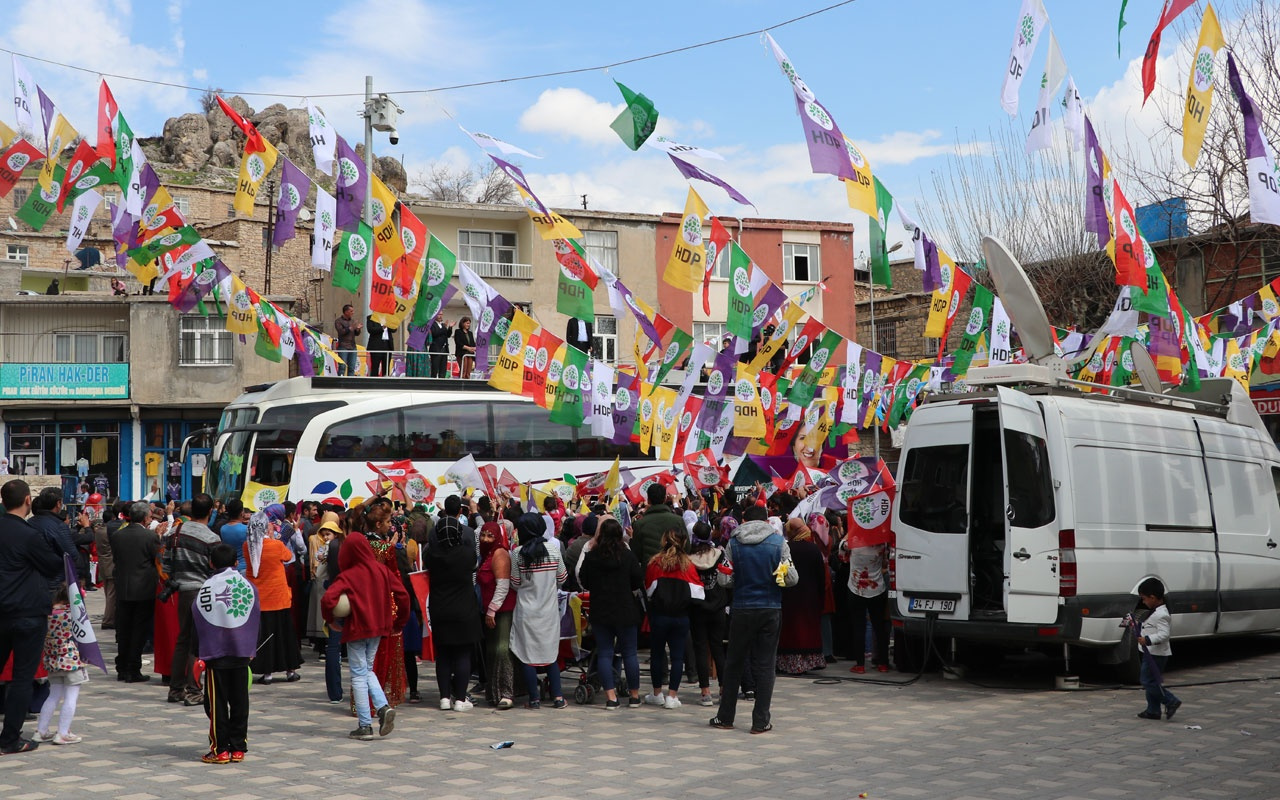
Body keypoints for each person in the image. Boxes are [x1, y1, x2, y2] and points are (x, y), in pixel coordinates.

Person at [709, 504, 798, 734]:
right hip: (770, 608)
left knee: (734, 663)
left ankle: (725, 717)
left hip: (741, 608)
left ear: (744, 520)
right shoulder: (779, 544)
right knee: (766, 664)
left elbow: (723, 580)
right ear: (767, 521)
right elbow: (792, 578)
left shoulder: (733, 544)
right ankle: (760, 721)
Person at [322, 532, 408, 741]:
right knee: (367, 670)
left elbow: (328, 599)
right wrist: (399, 622)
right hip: (380, 627)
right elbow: (403, 595)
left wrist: (330, 619)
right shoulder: (382, 570)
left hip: (358, 628)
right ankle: (382, 708)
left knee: (359, 674)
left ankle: (365, 724)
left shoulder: (348, 575)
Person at [0, 479, 65, 754]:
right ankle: (10, 739)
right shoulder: (28, 535)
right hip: (27, 612)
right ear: (28, 500)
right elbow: (53, 564)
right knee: (22, 677)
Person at [193, 543, 261, 764]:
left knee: (217, 703)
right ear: (235, 563)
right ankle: (239, 747)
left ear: (211, 563)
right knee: (241, 700)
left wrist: (200, 652)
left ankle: (220, 749)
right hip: (242, 652)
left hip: (217, 654)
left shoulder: (207, 587)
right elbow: (255, 616)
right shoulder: (248, 585)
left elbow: (197, 617)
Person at [578, 518, 643, 709]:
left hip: (601, 609)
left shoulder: (592, 556)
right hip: (625, 609)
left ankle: (611, 697)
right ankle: (634, 696)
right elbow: (638, 580)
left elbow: (584, 580)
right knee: (630, 653)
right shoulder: (627, 556)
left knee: (605, 654)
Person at [162, 493, 221, 705]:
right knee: (198, 643)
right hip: (203, 593)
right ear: (210, 511)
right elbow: (216, 570)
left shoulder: (175, 532)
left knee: (183, 639)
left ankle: (175, 689)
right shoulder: (212, 538)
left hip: (181, 590)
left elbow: (166, 565)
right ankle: (194, 690)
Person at [509, 513, 568, 709]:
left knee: (527, 655)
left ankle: (534, 699)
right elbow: (562, 578)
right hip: (549, 611)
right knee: (550, 652)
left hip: (526, 612)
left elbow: (515, 583)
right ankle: (558, 697)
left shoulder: (517, 553)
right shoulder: (553, 549)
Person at [423, 516, 481, 711]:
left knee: (444, 654)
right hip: (464, 609)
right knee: (463, 653)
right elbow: (474, 567)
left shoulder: (431, 555)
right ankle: (461, 699)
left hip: (440, 609)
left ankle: (444, 698)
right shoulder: (467, 554)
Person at [643, 528, 702, 709]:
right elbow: (698, 593)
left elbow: (649, 591)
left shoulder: (655, 563)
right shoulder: (688, 565)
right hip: (681, 616)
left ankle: (657, 693)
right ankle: (672, 696)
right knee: (677, 657)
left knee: (657, 655)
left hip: (659, 615)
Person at [244, 508, 302, 685]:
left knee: (263, 636)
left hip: (259, 598)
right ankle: (290, 670)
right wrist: (279, 537)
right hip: (279, 597)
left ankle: (267, 673)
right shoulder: (276, 545)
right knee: (284, 635)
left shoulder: (247, 546)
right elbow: (288, 556)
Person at [110, 501, 159, 683]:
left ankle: (122, 667)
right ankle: (133, 668)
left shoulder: (117, 535)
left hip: (123, 586)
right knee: (139, 629)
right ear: (146, 517)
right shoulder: (150, 537)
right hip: (144, 588)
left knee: (124, 629)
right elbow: (156, 559)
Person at [35, 584, 87, 745]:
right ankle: (63, 732)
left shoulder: (48, 613)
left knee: (53, 695)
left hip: (52, 659)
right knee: (71, 696)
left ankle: (41, 730)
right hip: (71, 659)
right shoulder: (72, 614)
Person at [776, 518, 827, 674]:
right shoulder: (813, 549)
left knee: (791, 630)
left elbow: (780, 574)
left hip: (789, 596)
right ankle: (810, 661)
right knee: (808, 629)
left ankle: (789, 663)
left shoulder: (785, 549)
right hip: (810, 597)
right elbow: (821, 576)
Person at [689, 521, 729, 707]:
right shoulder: (719, 555)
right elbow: (728, 577)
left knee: (700, 649)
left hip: (697, 609)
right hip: (718, 607)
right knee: (717, 648)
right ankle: (723, 688)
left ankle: (705, 691)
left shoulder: (688, 559)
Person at [839, 530, 890, 674]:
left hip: (856, 588)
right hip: (877, 587)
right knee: (879, 627)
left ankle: (860, 664)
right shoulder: (882, 543)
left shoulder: (851, 543)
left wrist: (852, 530)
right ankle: (883, 663)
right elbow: (885, 561)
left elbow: (842, 556)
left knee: (858, 627)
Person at [478, 521, 516, 709]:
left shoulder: (500, 554)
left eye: (490, 536)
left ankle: (507, 692)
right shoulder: (486, 554)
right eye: (483, 535)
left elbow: (503, 585)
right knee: (491, 651)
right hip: (489, 611)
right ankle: (494, 693)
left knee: (502, 650)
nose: (485, 539)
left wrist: (492, 610)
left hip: (502, 610)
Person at [1133, 578, 1182, 721]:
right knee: (1151, 681)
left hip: (1157, 654)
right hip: (1150, 652)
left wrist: (1147, 640)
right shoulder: (1153, 611)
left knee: (1148, 682)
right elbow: (1148, 626)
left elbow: (1164, 634)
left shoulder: (1162, 615)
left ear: (1153, 597)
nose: (1143, 602)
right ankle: (1153, 710)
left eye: (1144, 599)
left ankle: (1170, 700)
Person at [631, 482, 683, 567]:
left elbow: (637, 553)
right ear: (665, 498)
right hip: (674, 569)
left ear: (648, 500)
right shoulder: (678, 520)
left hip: (650, 571)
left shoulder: (639, 524)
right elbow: (686, 548)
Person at [219, 500, 249, 573]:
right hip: (245, 567)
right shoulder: (246, 529)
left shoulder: (223, 529)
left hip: (230, 567)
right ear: (242, 513)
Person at [334, 304, 362, 376]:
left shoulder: (353, 321)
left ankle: (350, 383)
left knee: (352, 367)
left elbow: (356, 334)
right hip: (343, 346)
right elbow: (341, 331)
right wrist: (350, 328)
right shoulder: (338, 321)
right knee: (342, 367)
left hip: (353, 347)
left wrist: (358, 328)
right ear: (346, 312)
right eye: (351, 311)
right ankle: (340, 382)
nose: (353, 312)